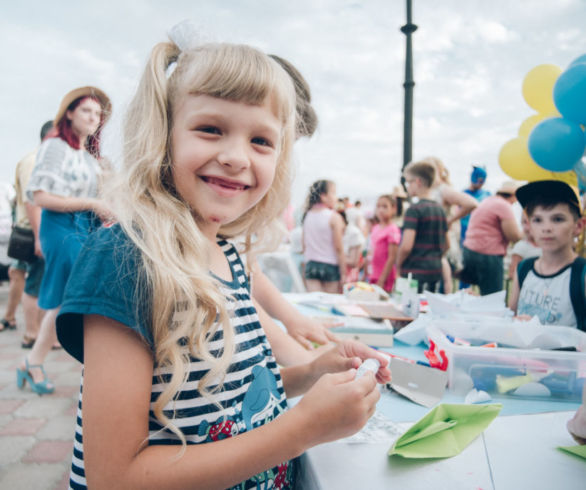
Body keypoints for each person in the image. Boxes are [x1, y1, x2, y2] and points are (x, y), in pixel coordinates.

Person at [54, 33, 391, 489]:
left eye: (261, 140)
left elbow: (232, 399)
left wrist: (310, 374)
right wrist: (301, 430)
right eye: (211, 129)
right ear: (162, 135)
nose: (235, 157)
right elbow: (114, 477)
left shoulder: (227, 255)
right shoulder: (125, 259)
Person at [17, 86, 112, 395]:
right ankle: (99, 370)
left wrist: (103, 211)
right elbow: (40, 195)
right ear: (69, 112)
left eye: (98, 114)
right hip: (61, 227)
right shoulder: (55, 145)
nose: (94, 118)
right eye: (86, 110)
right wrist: (93, 205)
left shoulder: (86, 154)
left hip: (84, 226)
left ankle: (33, 362)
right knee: (81, 296)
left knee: (66, 300)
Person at [508, 180, 585, 329]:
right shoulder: (524, 269)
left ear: (579, 226)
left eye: (557, 219)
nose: (546, 228)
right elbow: (511, 316)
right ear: (529, 226)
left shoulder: (581, 274)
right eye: (538, 220)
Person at [6, 120, 54, 348]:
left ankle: (38, 333)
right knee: (34, 284)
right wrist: (39, 238)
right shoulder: (33, 162)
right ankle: (32, 334)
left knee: (36, 281)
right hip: (33, 231)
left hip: (39, 231)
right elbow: (31, 201)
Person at [424, 156, 478, 293]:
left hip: (444, 245)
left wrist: (449, 221)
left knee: (443, 283)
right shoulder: (428, 191)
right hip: (431, 246)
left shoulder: (443, 190)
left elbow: (471, 203)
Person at [461, 181, 522, 295]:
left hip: (470, 251)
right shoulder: (503, 205)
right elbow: (513, 235)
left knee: (477, 294)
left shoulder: (487, 201)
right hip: (488, 254)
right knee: (492, 297)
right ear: (513, 196)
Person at [397, 160, 448, 294]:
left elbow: (406, 245)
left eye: (408, 182)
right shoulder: (440, 210)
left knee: (408, 311)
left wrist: (398, 264)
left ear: (418, 182)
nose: (407, 186)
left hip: (413, 272)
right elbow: (446, 244)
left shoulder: (413, 210)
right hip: (435, 271)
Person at [302, 179, 346, 292]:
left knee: (314, 304)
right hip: (330, 265)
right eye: (334, 193)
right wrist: (344, 272)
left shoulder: (307, 215)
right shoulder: (334, 217)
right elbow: (339, 248)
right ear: (323, 196)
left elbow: (304, 245)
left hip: (311, 264)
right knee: (329, 304)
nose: (336, 197)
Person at [368, 194, 401, 292]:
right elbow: (371, 251)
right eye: (378, 206)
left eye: (385, 206)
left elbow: (392, 257)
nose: (381, 210)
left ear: (393, 209)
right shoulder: (375, 228)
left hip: (385, 278)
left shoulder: (393, 229)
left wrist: (382, 279)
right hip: (372, 274)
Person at [507, 211, 541, 281]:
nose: (527, 227)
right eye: (525, 222)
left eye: (535, 221)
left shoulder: (547, 247)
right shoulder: (521, 247)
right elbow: (512, 273)